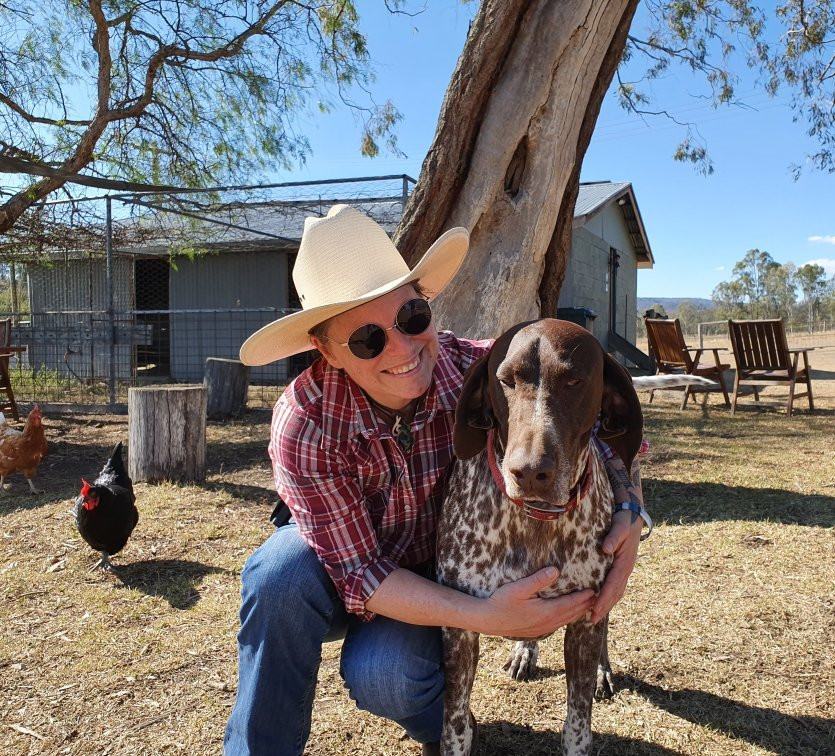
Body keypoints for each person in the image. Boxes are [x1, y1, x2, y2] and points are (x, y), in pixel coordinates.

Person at [224, 204, 649, 755]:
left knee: (389, 674)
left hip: (439, 572)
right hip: (355, 572)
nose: (403, 349)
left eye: (411, 318)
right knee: (277, 577)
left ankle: (443, 727)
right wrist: (488, 616)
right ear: (325, 350)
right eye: (368, 340)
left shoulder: (482, 372)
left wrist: (631, 512)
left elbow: (612, 427)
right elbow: (362, 574)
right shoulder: (304, 423)